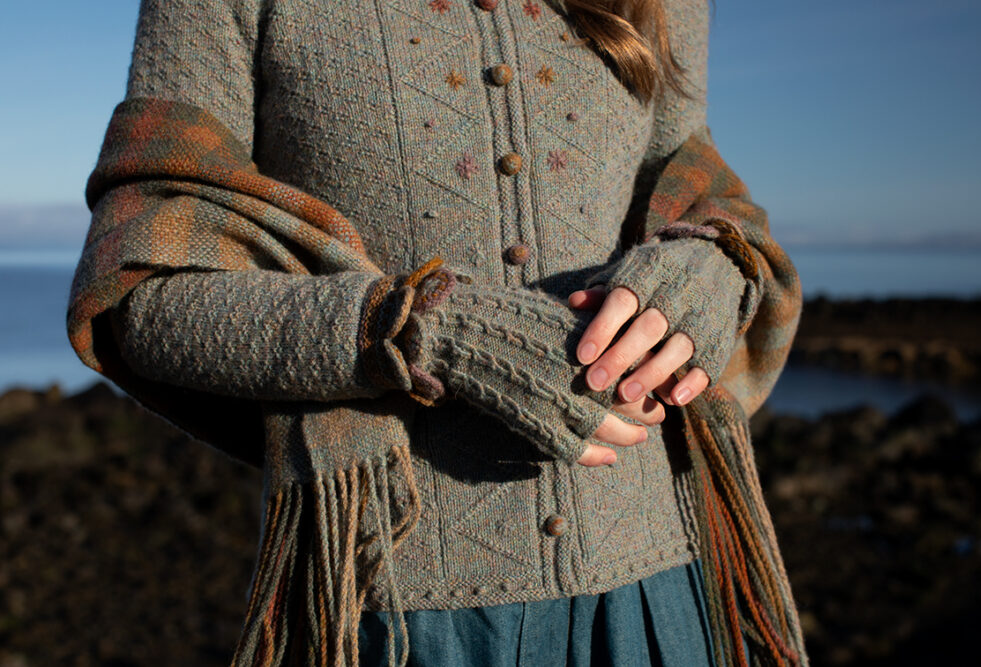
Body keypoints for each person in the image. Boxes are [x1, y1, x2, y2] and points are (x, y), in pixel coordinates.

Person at [66, 0, 809, 665]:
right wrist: (419, 330)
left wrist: (710, 269)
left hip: (658, 587)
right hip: (387, 609)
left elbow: (700, 191)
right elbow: (143, 289)